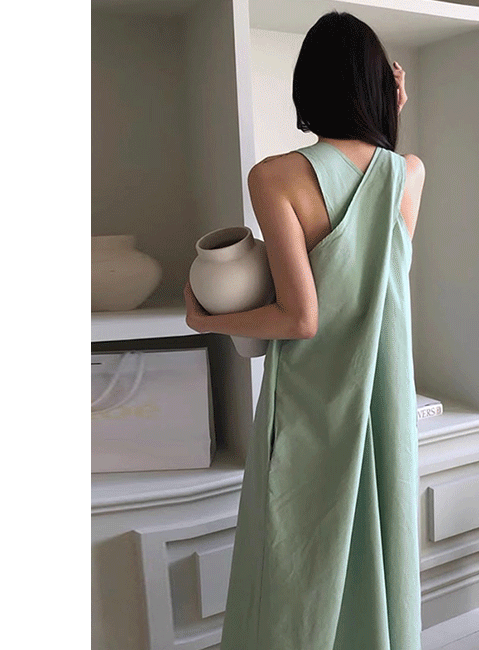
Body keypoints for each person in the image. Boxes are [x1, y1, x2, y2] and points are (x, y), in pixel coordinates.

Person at [184, 10, 426, 650]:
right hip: (382, 395)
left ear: (307, 88)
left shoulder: (275, 176)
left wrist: (206, 318)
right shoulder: (409, 173)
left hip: (312, 397)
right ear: (382, 87)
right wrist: (393, 114)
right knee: (378, 542)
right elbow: (380, 284)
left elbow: (300, 317)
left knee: (295, 558)